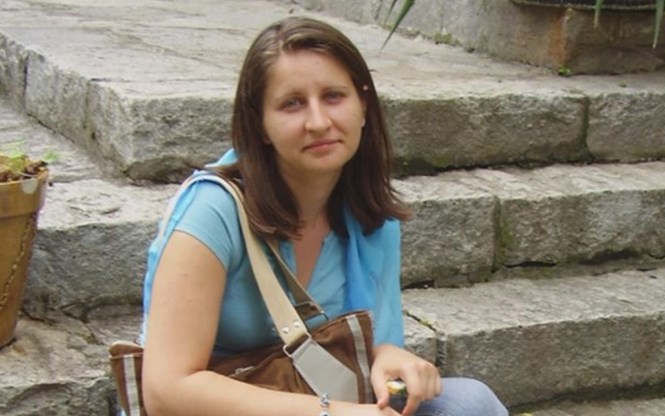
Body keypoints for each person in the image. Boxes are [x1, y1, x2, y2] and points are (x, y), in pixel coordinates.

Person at [140, 16, 508, 416]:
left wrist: (388, 356)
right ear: (260, 124)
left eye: (333, 96)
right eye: (292, 103)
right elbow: (166, 391)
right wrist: (332, 413)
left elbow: (369, 352)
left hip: (327, 399)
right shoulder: (213, 211)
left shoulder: (371, 217)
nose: (318, 122)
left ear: (363, 105)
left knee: (470, 403)